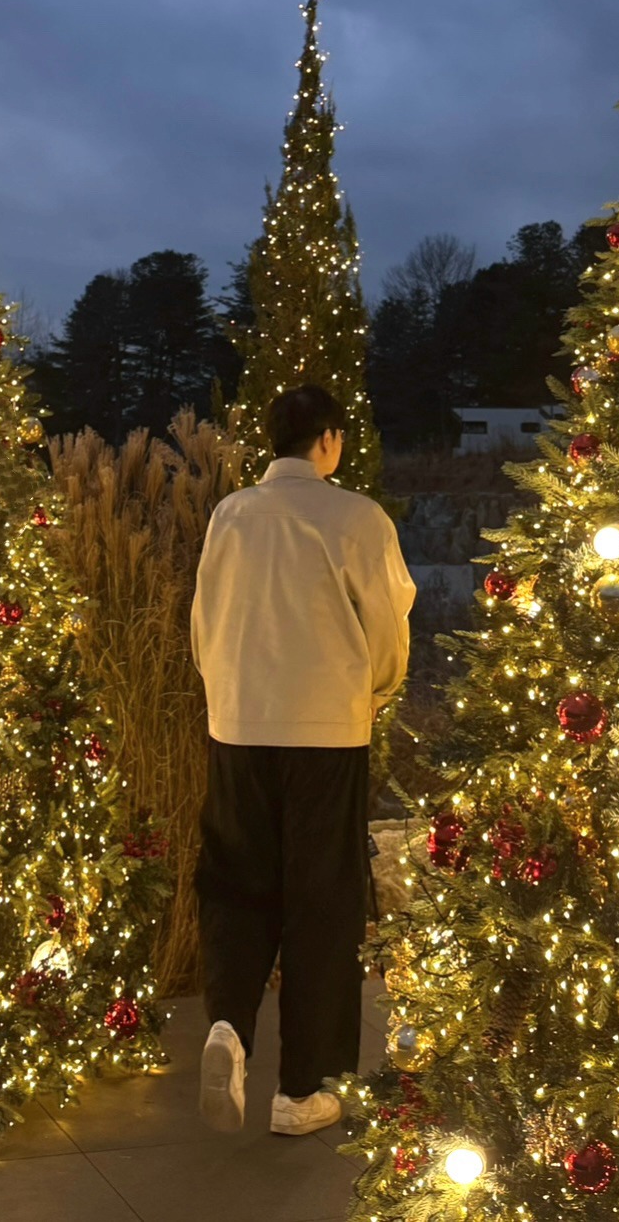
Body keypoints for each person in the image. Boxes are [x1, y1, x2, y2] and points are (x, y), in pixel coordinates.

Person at [190, 384, 416, 1136]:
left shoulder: (232, 515)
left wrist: (226, 693)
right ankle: (301, 1091)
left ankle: (226, 1025)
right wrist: (375, 690)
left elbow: (203, 620)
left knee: (235, 884)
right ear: (328, 440)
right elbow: (384, 626)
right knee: (321, 903)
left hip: (237, 726)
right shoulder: (354, 517)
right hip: (326, 730)